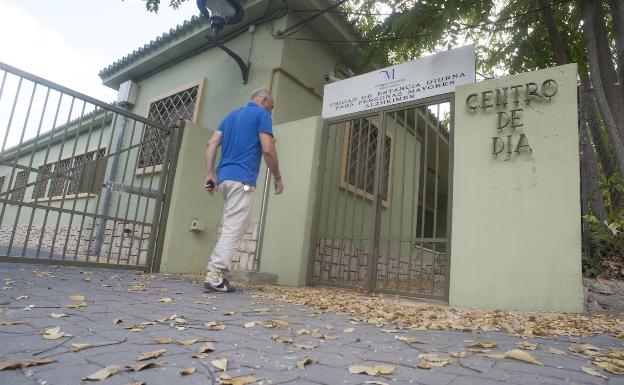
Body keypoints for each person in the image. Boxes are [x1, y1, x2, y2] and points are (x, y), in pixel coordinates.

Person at [203, 88, 283, 293]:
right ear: (264, 100)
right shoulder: (261, 114)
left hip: (224, 180)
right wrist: (278, 177)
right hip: (243, 179)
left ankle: (217, 273)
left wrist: (209, 173)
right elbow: (267, 149)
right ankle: (214, 275)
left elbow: (211, 143)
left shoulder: (231, 116)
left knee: (233, 223)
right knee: (234, 227)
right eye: (271, 107)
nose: (271, 112)